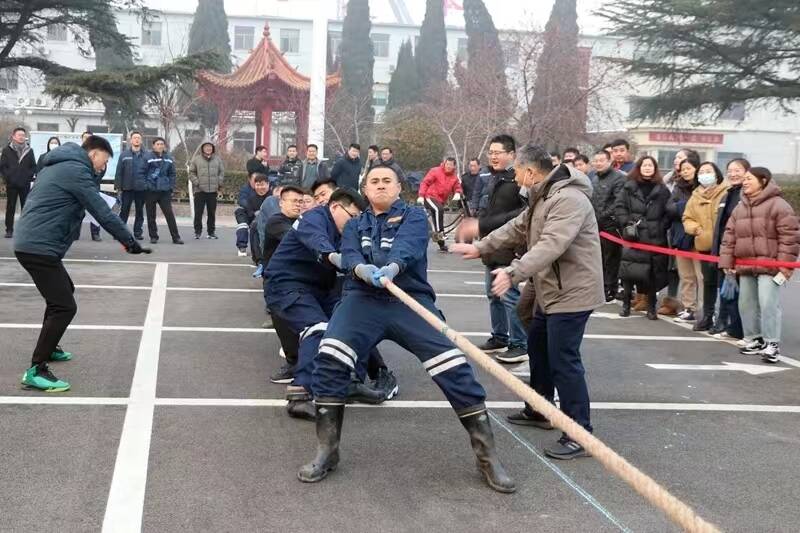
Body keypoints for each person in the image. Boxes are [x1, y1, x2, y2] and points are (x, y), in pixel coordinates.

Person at [302, 163, 514, 493]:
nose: (381, 185)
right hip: (362, 299)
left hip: (409, 299)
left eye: (387, 180)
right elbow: (350, 253)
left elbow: (410, 247)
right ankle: (327, 450)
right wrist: (360, 269)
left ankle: (487, 457)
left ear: (399, 187)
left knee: (454, 367)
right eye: (374, 181)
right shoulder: (355, 223)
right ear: (365, 189)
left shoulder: (414, 215)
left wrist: (392, 266)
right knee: (330, 359)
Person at [452, 143, 604, 461]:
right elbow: (518, 227)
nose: (516, 177)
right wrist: (480, 246)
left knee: (564, 360)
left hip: (572, 292)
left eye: (518, 171)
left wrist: (513, 272)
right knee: (538, 347)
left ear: (531, 172)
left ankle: (580, 433)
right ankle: (540, 408)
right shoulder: (542, 194)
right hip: (550, 288)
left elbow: (551, 244)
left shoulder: (569, 198)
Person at [13, 137, 150, 391]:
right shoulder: (76, 171)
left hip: (35, 242)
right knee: (64, 306)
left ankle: (50, 348)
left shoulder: (59, 165)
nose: (103, 167)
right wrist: (129, 241)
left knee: (64, 292)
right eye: (103, 162)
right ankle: (36, 369)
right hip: (39, 246)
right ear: (94, 154)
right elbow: (102, 212)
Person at [265, 188, 395, 420]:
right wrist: (341, 260)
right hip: (287, 285)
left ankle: (349, 381)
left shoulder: (347, 229)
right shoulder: (313, 218)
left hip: (321, 289)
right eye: (352, 216)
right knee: (318, 329)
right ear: (335, 206)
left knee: (352, 324)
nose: (355, 222)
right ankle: (299, 394)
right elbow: (320, 244)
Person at [456, 135, 528, 364]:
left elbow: (522, 215)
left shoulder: (519, 179)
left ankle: (519, 344)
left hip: (509, 245)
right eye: (491, 152)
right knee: (493, 294)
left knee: (509, 295)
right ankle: (499, 337)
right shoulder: (492, 177)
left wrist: (484, 224)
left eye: (498, 152)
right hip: (491, 245)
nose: (493, 157)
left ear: (512, 154)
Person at [720, 167, 800, 363]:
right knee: (746, 303)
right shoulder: (740, 207)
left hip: (770, 265)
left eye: (749, 178)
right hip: (746, 264)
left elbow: (789, 238)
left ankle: (772, 343)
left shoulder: (779, 205)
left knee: (768, 304)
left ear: (763, 181)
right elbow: (729, 235)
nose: (745, 182)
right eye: (745, 179)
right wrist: (727, 261)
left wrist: (785, 265)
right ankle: (754, 338)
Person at [615, 156, 671, 319]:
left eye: (650, 165)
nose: (647, 168)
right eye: (644, 165)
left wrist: (661, 226)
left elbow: (668, 211)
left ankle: (651, 307)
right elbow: (619, 207)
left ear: (655, 169)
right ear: (639, 168)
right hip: (634, 235)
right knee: (629, 272)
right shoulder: (629, 186)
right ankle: (626, 304)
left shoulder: (662, 189)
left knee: (652, 274)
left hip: (655, 237)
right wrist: (627, 223)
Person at [262, 185, 307, 384]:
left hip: (297, 279)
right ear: (281, 203)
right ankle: (293, 363)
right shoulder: (276, 222)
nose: (298, 205)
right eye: (294, 201)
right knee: (283, 323)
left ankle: (302, 362)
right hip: (277, 282)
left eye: (301, 201)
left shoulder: (302, 221)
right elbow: (296, 239)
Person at [683, 161, 729, 331]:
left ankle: (723, 318)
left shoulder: (726, 192)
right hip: (704, 245)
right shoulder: (695, 196)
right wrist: (696, 229)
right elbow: (687, 218)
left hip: (724, 246)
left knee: (724, 284)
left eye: (708, 171)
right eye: (701, 172)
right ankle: (708, 316)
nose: (705, 174)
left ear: (717, 174)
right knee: (708, 282)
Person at [709, 159, 750, 340]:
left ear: (747, 172)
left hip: (739, 253)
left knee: (739, 295)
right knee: (726, 291)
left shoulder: (746, 196)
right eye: (730, 170)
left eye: (737, 170)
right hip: (724, 250)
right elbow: (721, 226)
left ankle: (740, 329)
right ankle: (727, 325)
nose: (733, 174)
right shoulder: (728, 195)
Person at [667, 152, 702, 322]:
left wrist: (683, 208)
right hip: (681, 236)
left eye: (689, 168)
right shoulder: (678, 187)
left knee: (701, 276)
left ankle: (705, 310)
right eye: (683, 169)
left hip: (699, 236)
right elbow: (669, 208)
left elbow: (704, 211)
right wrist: (686, 207)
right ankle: (689, 308)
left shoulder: (704, 187)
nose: (685, 172)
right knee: (686, 276)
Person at [590, 149, 626, 302]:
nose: (598, 163)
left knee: (611, 259)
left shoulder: (618, 178)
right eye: (596, 161)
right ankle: (600, 288)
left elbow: (618, 202)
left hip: (611, 225)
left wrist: (603, 216)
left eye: (601, 160)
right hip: (595, 225)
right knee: (598, 258)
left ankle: (610, 288)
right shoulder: (594, 178)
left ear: (609, 161)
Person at [417, 157, 462, 252]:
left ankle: (442, 245)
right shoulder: (435, 171)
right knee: (439, 210)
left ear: (454, 166)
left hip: (440, 201)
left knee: (438, 215)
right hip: (429, 197)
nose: (448, 166)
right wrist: (421, 195)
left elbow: (457, 187)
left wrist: (457, 193)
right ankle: (440, 233)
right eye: (447, 164)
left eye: (450, 165)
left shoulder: (454, 177)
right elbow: (425, 182)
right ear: (444, 164)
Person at [144, 137, 183, 245]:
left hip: (164, 191)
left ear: (164, 146)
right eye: (158, 144)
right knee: (151, 215)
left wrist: (170, 187)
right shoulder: (147, 157)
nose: (160, 146)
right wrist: (147, 185)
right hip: (150, 191)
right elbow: (142, 173)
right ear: (153, 146)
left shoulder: (169, 158)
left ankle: (176, 237)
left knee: (169, 214)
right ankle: (153, 236)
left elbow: (172, 174)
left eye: (162, 144)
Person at [2, 127, 36, 238]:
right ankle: (9, 230)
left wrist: (28, 176)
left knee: (25, 208)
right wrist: (8, 177)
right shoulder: (7, 150)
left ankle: (25, 230)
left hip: (25, 184)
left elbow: (33, 166)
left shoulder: (29, 150)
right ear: (14, 136)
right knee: (10, 207)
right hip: (11, 184)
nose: (21, 137)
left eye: (23, 135)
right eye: (19, 135)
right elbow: (3, 167)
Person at [115, 131, 147, 241]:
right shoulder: (124, 155)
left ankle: (138, 232)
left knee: (139, 212)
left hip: (141, 188)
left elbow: (150, 171)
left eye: (138, 138)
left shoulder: (146, 155)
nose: (137, 140)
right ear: (131, 140)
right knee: (124, 210)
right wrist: (118, 187)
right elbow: (119, 172)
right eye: (134, 138)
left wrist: (148, 185)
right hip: (127, 187)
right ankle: (120, 232)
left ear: (141, 140)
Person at [189, 141, 225, 239]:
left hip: (213, 191)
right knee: (198, 213)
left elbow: (221, 172)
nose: (208, 148)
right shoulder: (196, 159)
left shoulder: (217, 159)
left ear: (212, 148)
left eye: (210, 147)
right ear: (202, 148)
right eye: (206, 147)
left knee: (211, 213)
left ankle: (211, 232)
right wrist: (197, 183)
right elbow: (191, 173)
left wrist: (219, 183)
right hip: (200, 191)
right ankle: (197, 231)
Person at [235, 173, 260, 256]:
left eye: (258, 181)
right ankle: (242, 247)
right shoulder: (245, 189)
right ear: (250, 180)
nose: (257, 183)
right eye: (255, 180)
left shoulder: (262, 189)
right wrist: (252, 212)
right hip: (244, 212)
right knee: (243, 225)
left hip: (257, 213)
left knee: (259, 227)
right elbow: (242, 201)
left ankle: (259, 248)